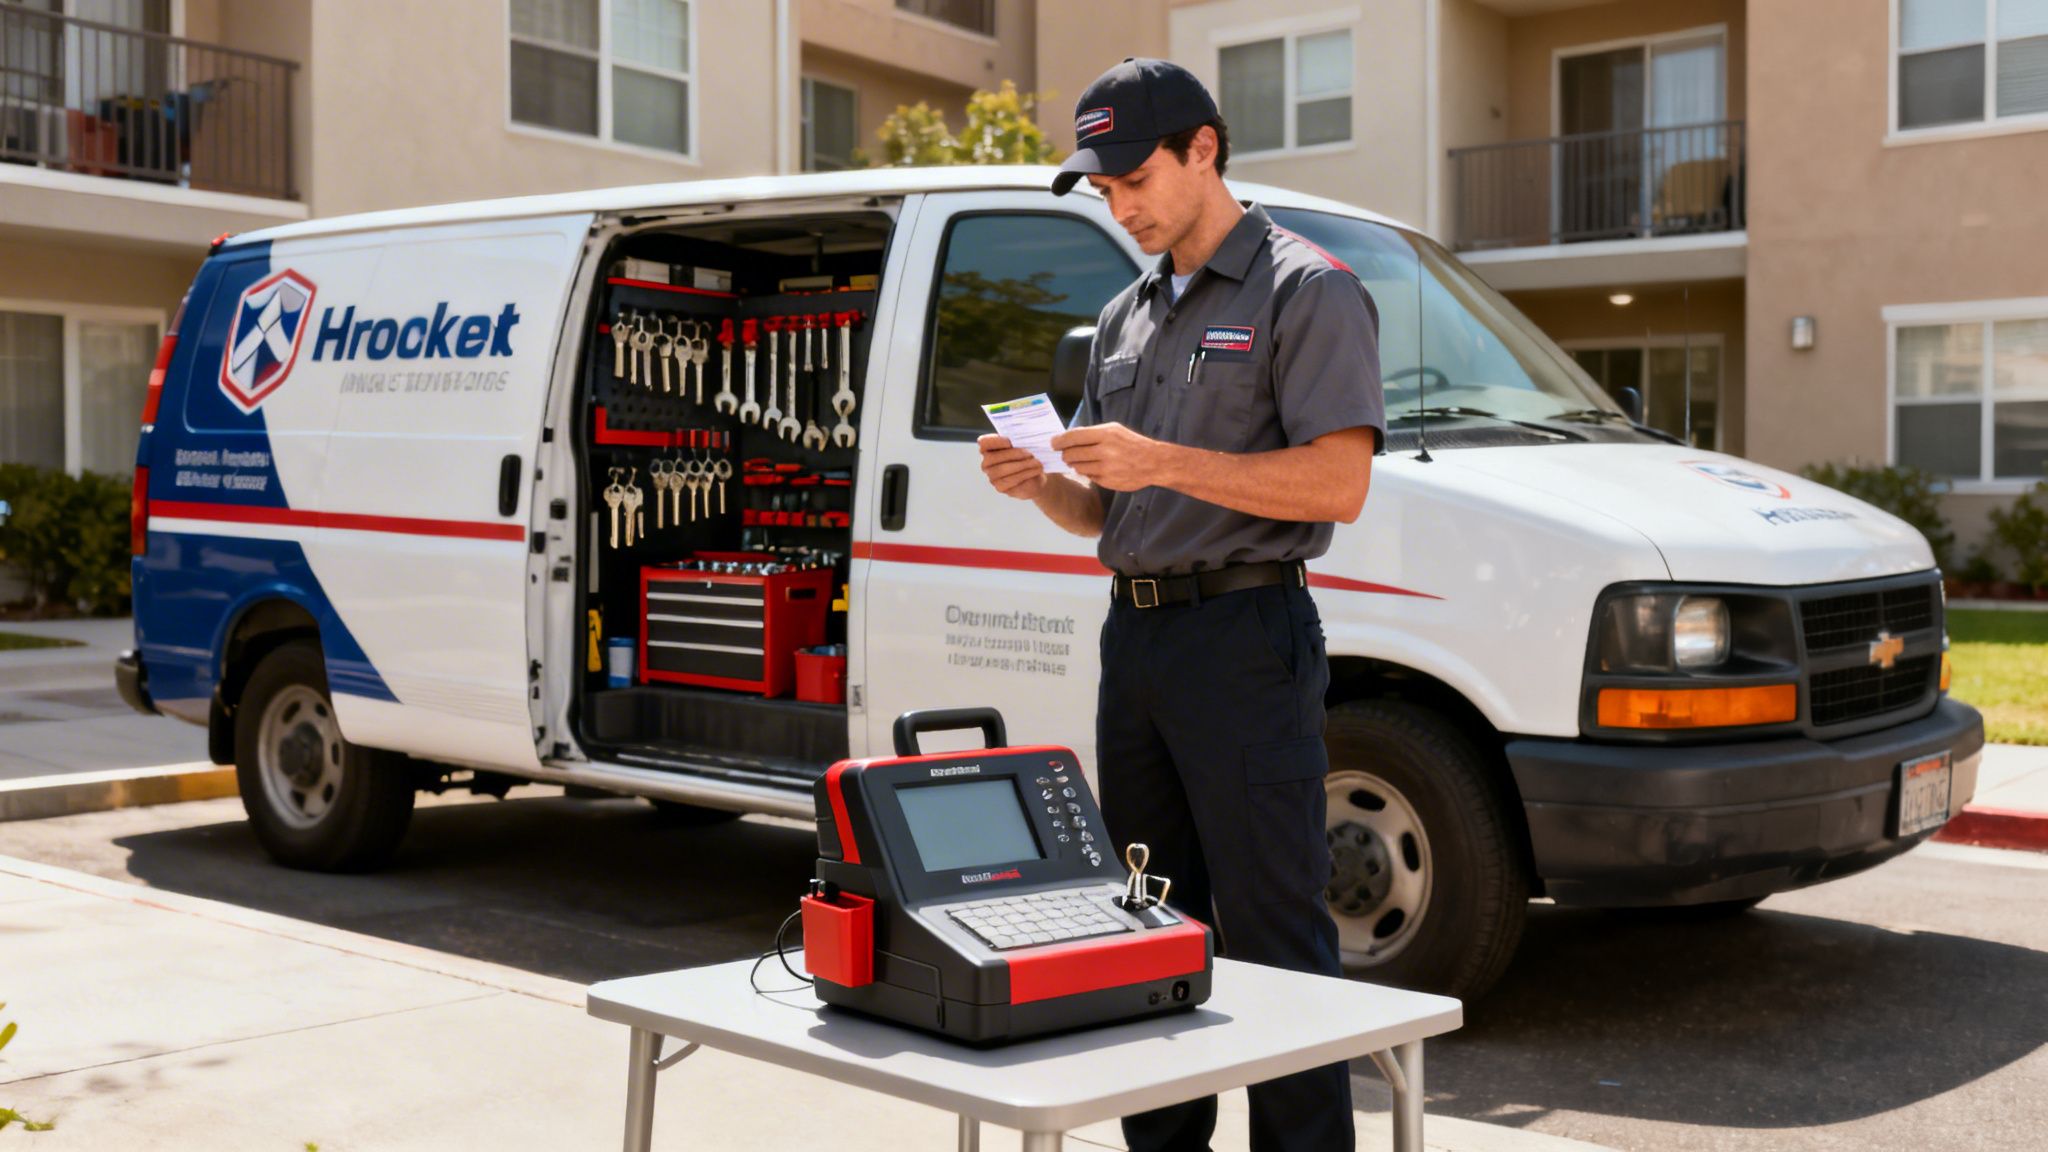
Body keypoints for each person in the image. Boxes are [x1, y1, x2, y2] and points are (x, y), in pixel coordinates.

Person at [977, 57, 1385, 1152]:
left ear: (1203, 148)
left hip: (1246, 639)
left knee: (1272, 936)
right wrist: (1045, 486)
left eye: (1134, 177)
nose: (1121, 206)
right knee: (1148, 930)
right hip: (1139, 640)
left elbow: (1335, 484)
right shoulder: (1124, 313)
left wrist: (1158, 457)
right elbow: (1112, 519)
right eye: (1102, 189)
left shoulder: (1308, 290)